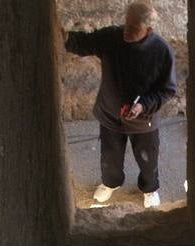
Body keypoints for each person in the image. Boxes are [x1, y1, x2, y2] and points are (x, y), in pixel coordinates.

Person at [64, 2, 177, 209]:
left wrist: (143, 105)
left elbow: (167, 90)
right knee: (110, 156)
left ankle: (149, 188)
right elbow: (83, 42)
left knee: (147, 159)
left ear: (148, 30)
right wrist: (63, 37)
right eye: (127, 25)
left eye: (134, 29)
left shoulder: (161, 51)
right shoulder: (112, 38)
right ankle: (110, 183)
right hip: (110, 114)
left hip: (144, 121)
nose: (127, 31)